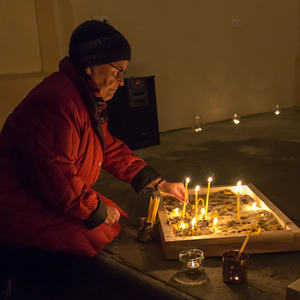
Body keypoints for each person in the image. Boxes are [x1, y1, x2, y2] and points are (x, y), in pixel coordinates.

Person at [0, 20, 185, 257]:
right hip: (19, 200)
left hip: (54, 193)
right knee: (93, 236)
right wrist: (96, 210)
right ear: (90, 66)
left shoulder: (86, 98)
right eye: (117, 72)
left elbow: (106, 147)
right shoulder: (57, 102)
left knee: (111, 222)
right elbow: (57, 175)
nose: (121, 82)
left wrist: (158, 183)